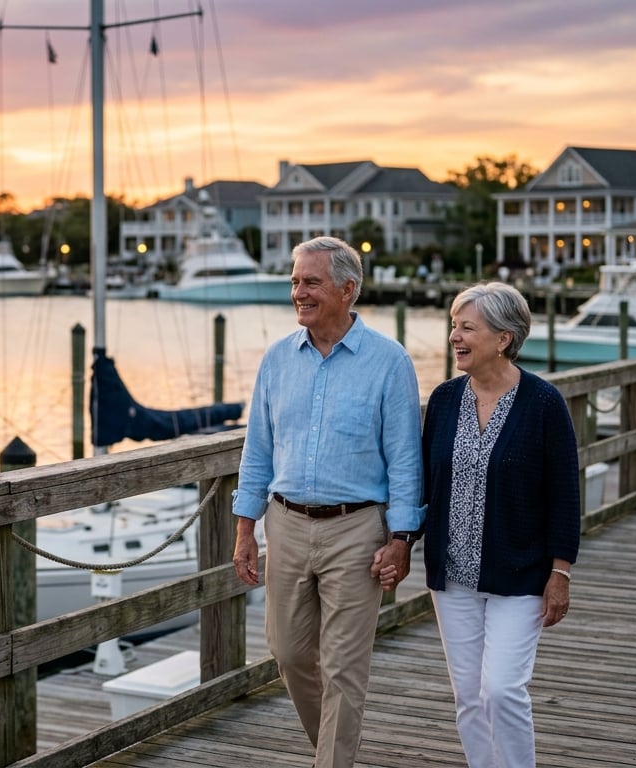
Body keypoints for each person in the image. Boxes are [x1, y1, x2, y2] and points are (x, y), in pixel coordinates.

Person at [232, 235, 424, 768]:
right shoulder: (276, 361)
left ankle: (331, 762)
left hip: (357, 531)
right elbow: (258, 452)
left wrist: (402, 539)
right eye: (294, 281)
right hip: (286, 525)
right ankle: (333, 750)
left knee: (343, 666)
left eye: (311, 281)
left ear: (348, 289)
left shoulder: (389, 363)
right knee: (289, 654)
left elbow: (406, 460)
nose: (299, 291)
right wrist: (246, 529)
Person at [420, 282, 581, 768]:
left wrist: (561, 573)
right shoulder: (445, 399)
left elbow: (565, 495)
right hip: (453, 579)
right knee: (469, 697)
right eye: (454, 326)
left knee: (502, 690)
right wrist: (399, 540)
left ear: (504, 338)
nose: (455, 336)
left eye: (467, 327)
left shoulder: (544, 403)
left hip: (522, 575)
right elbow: (424, 481)